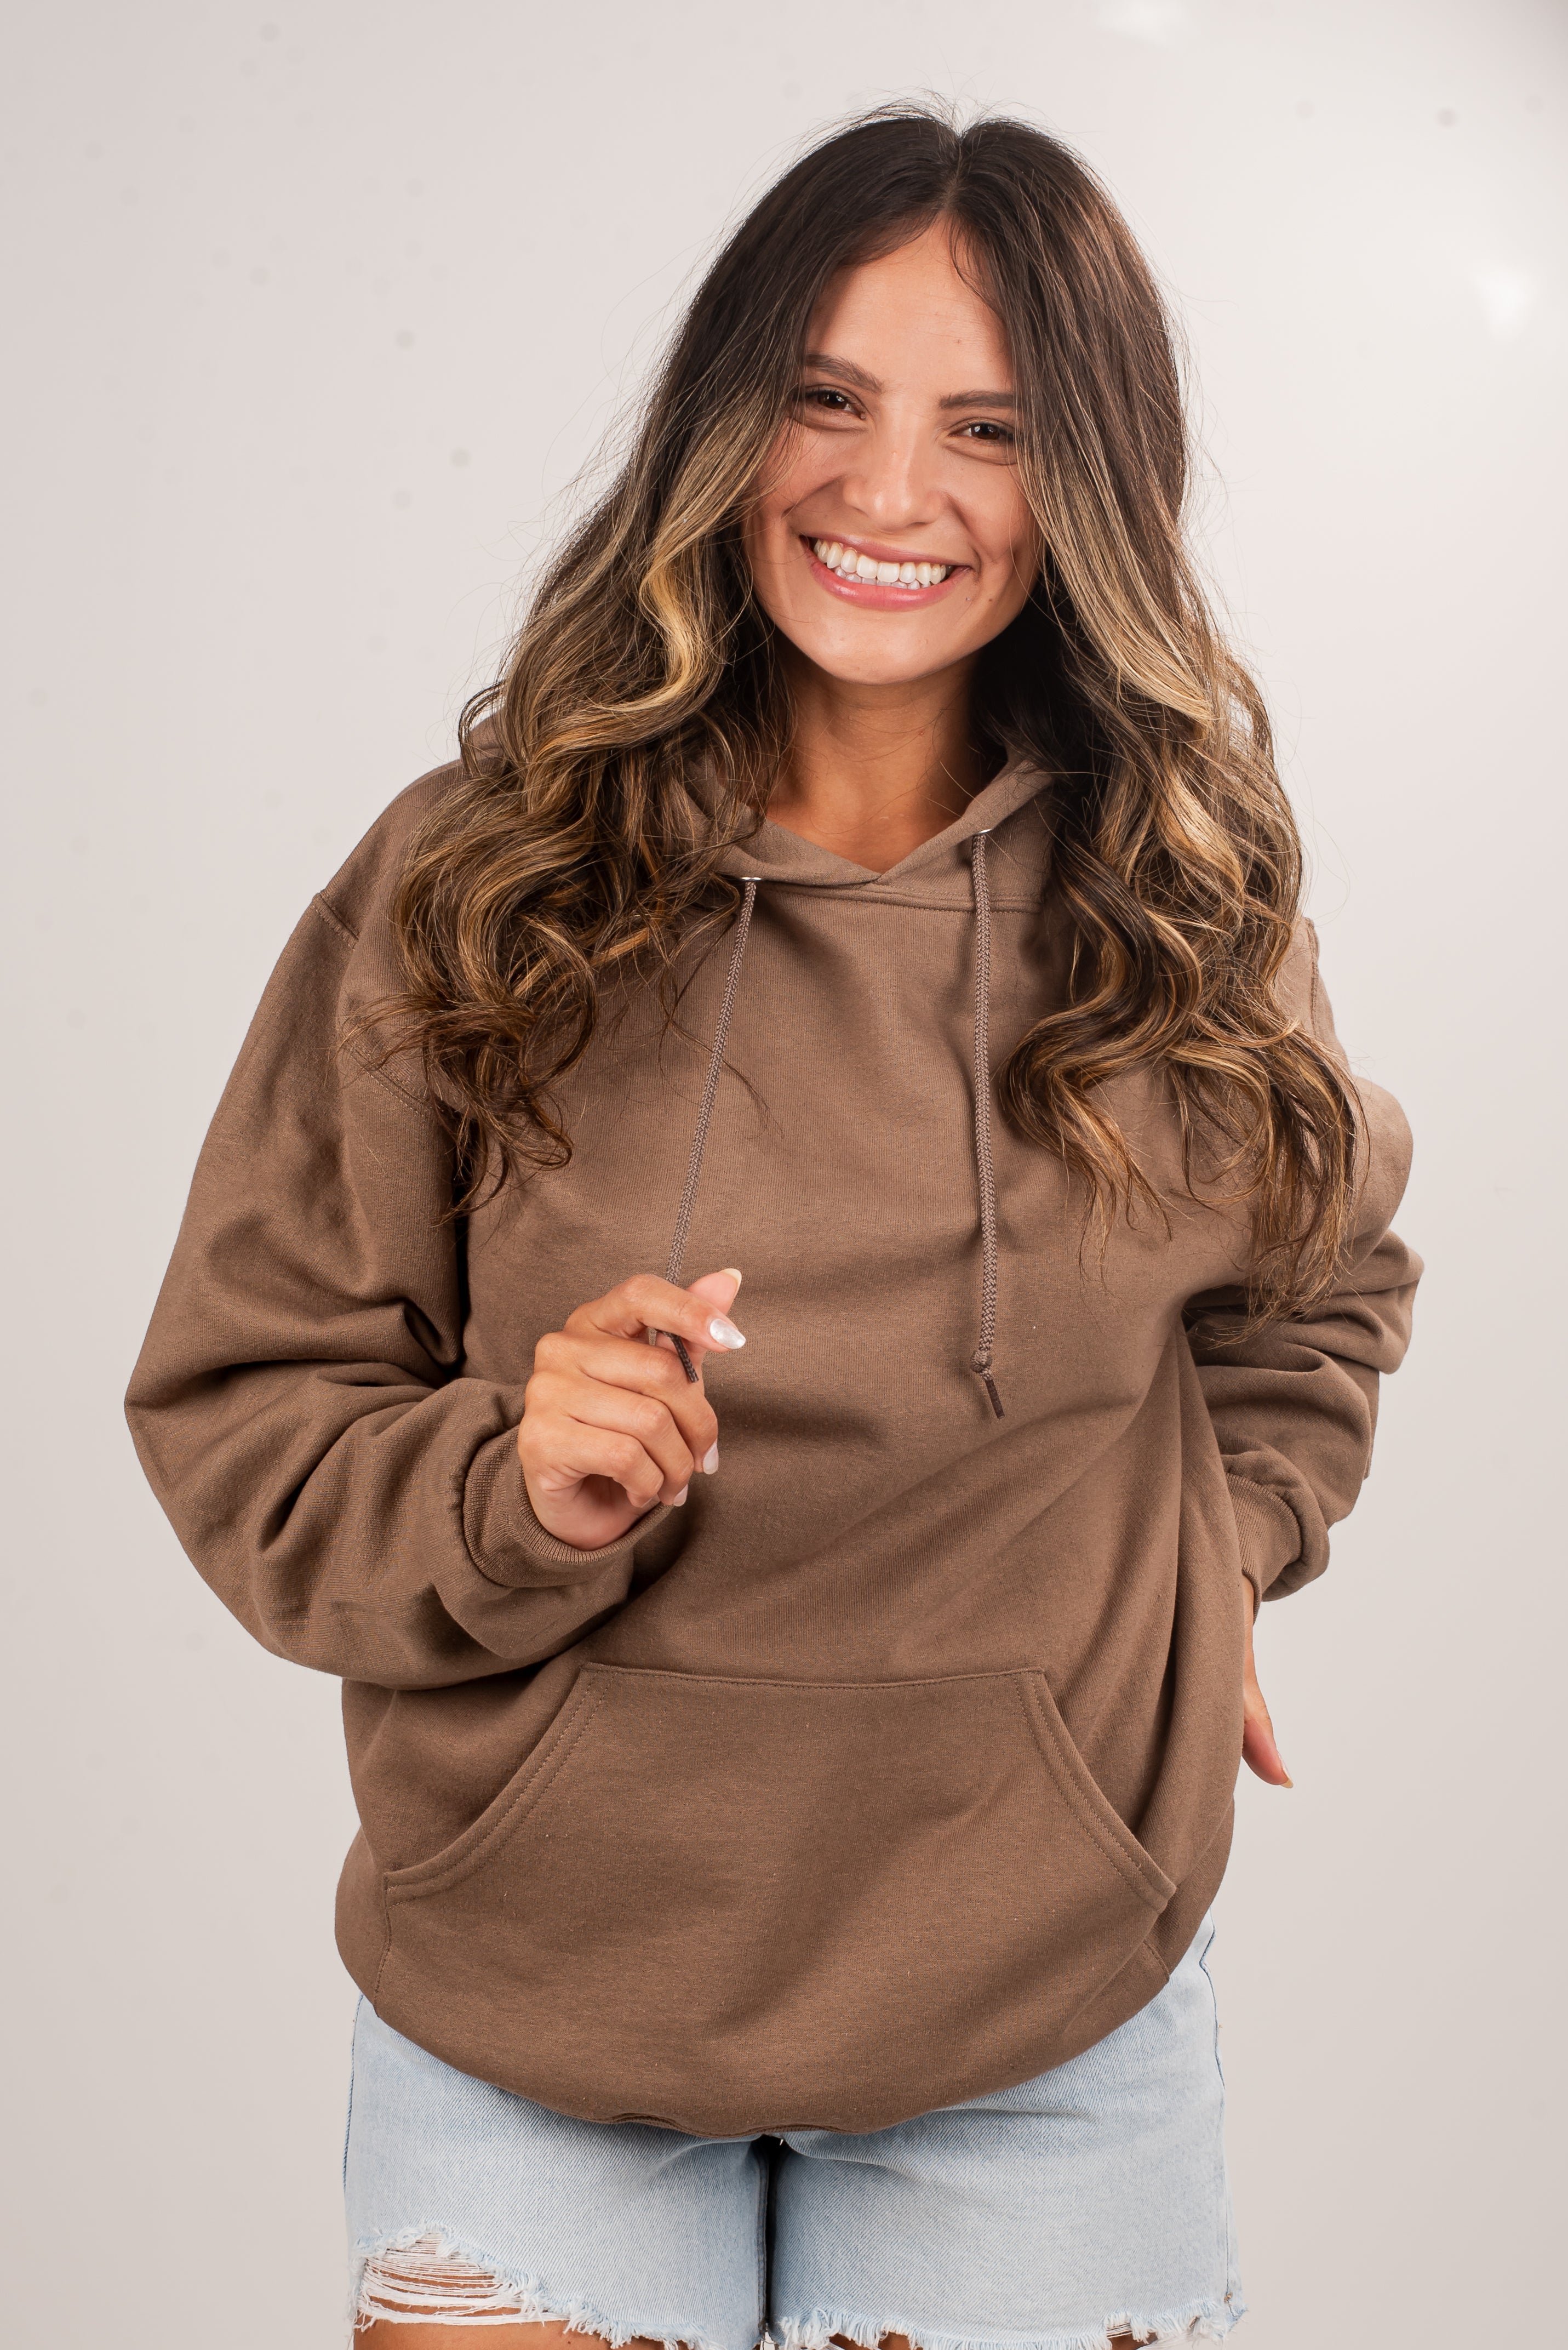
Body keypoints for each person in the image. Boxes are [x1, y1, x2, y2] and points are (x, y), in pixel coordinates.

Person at [127, 104, 1420, 2350]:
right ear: (725, 425)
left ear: (1089, 483)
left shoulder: (1182, 908)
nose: (889, 490)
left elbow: (1319, 1294)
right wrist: (510, 1487)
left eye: (988, 428)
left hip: (1045, 2007)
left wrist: (1207, 1558)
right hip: (531, 1990)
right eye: (826, 397)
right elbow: (248, 1411)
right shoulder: (472, 882)